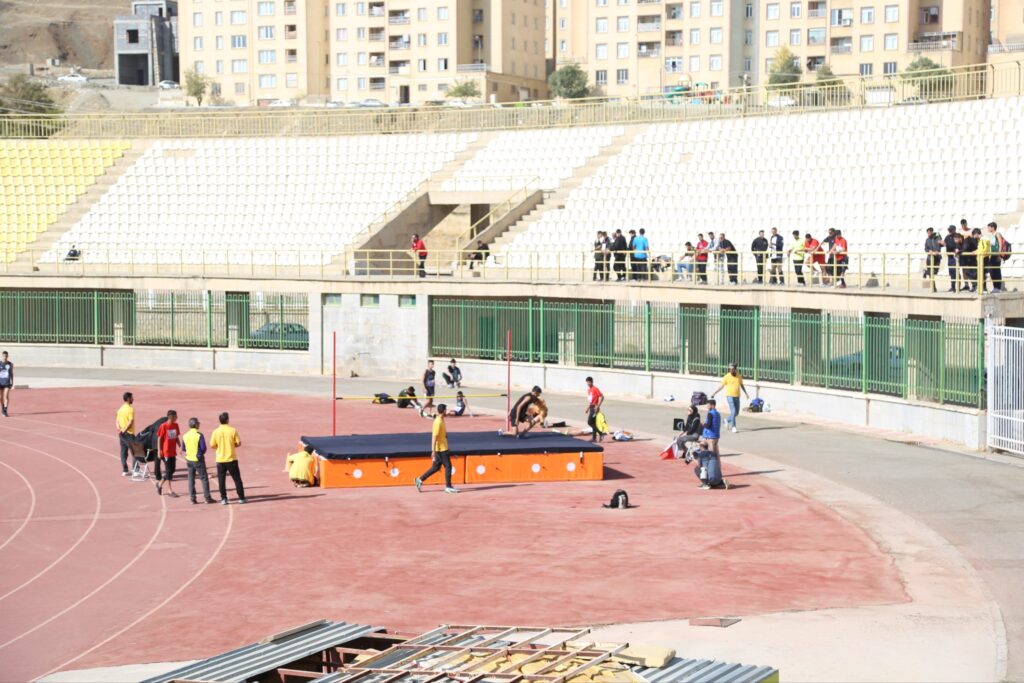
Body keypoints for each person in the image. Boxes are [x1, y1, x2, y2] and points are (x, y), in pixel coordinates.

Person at [415, 404, 457, 494]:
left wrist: (448, 447)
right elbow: (434, 437)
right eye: (446, 410)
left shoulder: (441, 419)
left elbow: (443, 435)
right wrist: (433, 450)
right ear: (444, 411)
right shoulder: (438, 422)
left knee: (435, 467)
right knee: (448, 466)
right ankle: (448, 486)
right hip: (440, 449)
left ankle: (420, 479)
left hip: (443, 448)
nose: (447, 411)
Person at [210, 411, 246, 505]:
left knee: (221, 480)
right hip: (231, 458)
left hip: (220, 459)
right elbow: (238, 443)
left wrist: (220, 447)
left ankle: (224, 498)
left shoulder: (215, 431)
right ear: (227, 420)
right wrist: (232, 445)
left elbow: (212, 445)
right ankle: (241, 497)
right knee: (237, 479)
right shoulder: (232, 430)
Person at [182, 417, 215, 504]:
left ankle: (192, 498)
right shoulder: (199, 435)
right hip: (198, 459)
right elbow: (203, 448)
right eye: (198, 423)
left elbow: (183, 448)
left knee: (191, 479)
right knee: (204, 478)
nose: (199, 424)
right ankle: (207, 497)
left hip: (189, 459)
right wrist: (199, 454)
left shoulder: (185, 435)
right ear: (195, 424)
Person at [711, 363, 749, 433]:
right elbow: (721, 386)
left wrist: (746, 393)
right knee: (733, 411)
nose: (731, 370)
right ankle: (733, 427)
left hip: (737, 396)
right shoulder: (726, 376)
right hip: (730, 396)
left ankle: (727, 420)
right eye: (730, 369)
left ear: (735, 369)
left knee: (736, 413)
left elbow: (741, 385)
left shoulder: (739, 376)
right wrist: (714, 393)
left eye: (732, 369)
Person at [155, 409, 182, 497]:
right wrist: (159, 451)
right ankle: (169, 490)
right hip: (165, 452)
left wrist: (180, 446)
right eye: (175, 416)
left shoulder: (176, 425)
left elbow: (176, 437)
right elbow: (159, 438)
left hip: (172, 451)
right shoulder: (163, 426)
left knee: (172, 469)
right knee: (168, 470)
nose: (177, 417)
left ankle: (160, 484)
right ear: (171, 417)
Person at [116, 391, 136, 476]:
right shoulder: (130, 409)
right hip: (129, 434)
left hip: (121, 434)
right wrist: (124, 430)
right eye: (132, 397)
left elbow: (117, 421)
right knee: (135, 451)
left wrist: (119, 429)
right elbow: (130, 422)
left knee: (123, 452)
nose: (133, 399)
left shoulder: (120, 409)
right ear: (128, 398)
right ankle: (136, 470)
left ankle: (125, 470)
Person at [985, 221, 1008, 293]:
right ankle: (995, 287)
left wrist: (999, 255)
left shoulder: (997, 234)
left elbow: (1000, 244)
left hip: (997, 255)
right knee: (992, 271)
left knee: (996, 271)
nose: (988, 228)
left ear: (993, 227)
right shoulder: (992, 235)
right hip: (992, 255)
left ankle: (998, 287)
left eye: (989, 227)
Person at [584, 376, 605, 442]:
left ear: (592, 382)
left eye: (589, 382)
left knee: (589, 422)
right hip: (591, 407)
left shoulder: (595, 389)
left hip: (595, 408)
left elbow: (602, 397)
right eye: (587, 382)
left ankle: (601, 434)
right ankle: (594, 438)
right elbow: (590, 400)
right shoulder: (589, 390)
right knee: (593, 423)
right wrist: (587, 408)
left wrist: (598, 406)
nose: (588, 384)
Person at [961, 228, 980, 292]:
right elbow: (966, 247)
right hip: (971, 259)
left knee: (973, 273)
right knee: (970, 273)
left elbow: (966, 247)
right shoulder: (971, 240)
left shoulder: (978, 240)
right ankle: (974, 286)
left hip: (974, 259)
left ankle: (976, 286)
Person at [944, 225, 961, 292]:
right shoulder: (947, 237)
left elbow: (955, 245)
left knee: (956, 272)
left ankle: (958, 287)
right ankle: (953, 287)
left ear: (954, 230)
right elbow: (944, 244)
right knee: (951, 272)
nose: (950, 231)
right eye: (949, 230)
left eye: (951, 230)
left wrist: (946, 244)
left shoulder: (957, 236)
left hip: (956, 256)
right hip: (950, 257)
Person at [0, 351, 13, 417]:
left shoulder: (10, 364)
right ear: (2, 356)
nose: (5, 357)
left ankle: (5, 410)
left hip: (7, 382)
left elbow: (11, 373)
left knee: (6, 396)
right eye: (4, 356)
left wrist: (12, 382)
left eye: (6, 356)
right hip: (0, 383)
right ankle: (2, 407)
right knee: (0, 397)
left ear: (7, 356)